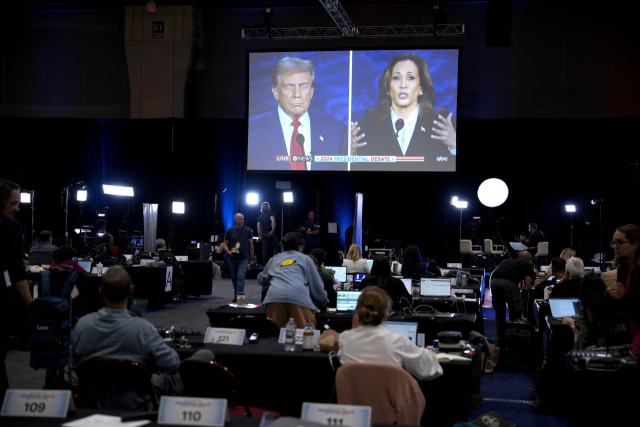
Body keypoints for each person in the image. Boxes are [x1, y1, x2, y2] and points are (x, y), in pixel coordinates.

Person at [70, 266, 213, 410]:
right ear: (131, 290)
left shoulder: (82, 326)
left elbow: (74, 365)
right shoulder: (143, 329)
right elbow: (172, 364)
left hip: (95, 402)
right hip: (139, 404)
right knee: (205, 355)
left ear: (101, 292)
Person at [350, 53, 456, 172]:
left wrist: (454, 147)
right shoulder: (366, 127)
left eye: (410, 78)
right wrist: (351, 156)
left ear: (421, 87)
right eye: (396, 78)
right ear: (388, 88)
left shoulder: (443, 125)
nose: (403, 85)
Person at [247, 57, 347, 171]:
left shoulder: (337, 131)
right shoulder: (252, 130)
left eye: (303, 86)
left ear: (311, 91)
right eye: (289, 87)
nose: (297, 94)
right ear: (275, 92)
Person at [338, 286, 442, 381]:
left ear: (357, 312)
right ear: (384, 314)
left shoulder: (344, 340)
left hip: (352, 401)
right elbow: (430, 370)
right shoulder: (396, 341)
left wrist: (354, 330)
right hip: (389, 401)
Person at [0, 179, 33, 400]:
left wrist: (32, 307)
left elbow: (18, 272)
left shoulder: (14, 228)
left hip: (3, 304)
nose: (17, 208)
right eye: (13, 203)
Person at [257, 232, 327, 328]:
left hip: (274, 298)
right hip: (299, 298)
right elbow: (317, 287)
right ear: (299, 246)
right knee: (305, 338)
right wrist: (323, 304)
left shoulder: (274, 259)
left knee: (275, 338)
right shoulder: (306, 259)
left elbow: (261, 280)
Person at [490, 251, 534, 349]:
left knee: (499, 314)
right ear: (528, 260)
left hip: (494, 281)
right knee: (516, 315)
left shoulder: (507, 261)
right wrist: (521, 300)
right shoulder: (528, 267)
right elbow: (526, 287)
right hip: (509, 284)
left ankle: (501, 344)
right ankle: (514, 344)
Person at [607, 224, 640, 355]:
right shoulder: (623, 270)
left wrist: (624, 297)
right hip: (629, 334)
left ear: (635, 244)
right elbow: (622, 308)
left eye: (620, 242)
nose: (615, 246)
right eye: (614, 242)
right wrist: (613, 297)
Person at [223, 213, 254, 302]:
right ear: (235, 219)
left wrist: (251, 258)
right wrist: (228, 251)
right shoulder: (229, 230)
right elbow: (224, 244)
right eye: (240, 219)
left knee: (240, 276)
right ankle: (236, 294)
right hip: (232, 257)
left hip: (243, 257)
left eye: (243, 219)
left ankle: (240, 298)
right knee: (234, 278)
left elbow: (251, 245)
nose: (242, 221)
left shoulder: (248, 230)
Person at [257, 202, 279, 266]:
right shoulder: (271, 213)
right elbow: (273, 221)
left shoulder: (259, 216)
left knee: (265, 249)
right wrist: (272, 230)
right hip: (270, 233)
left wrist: (260, 236)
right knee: (275, 248)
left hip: (263, 234)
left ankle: (264, 265)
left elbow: (258, 227)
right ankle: (275, 264)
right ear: (268, 207)